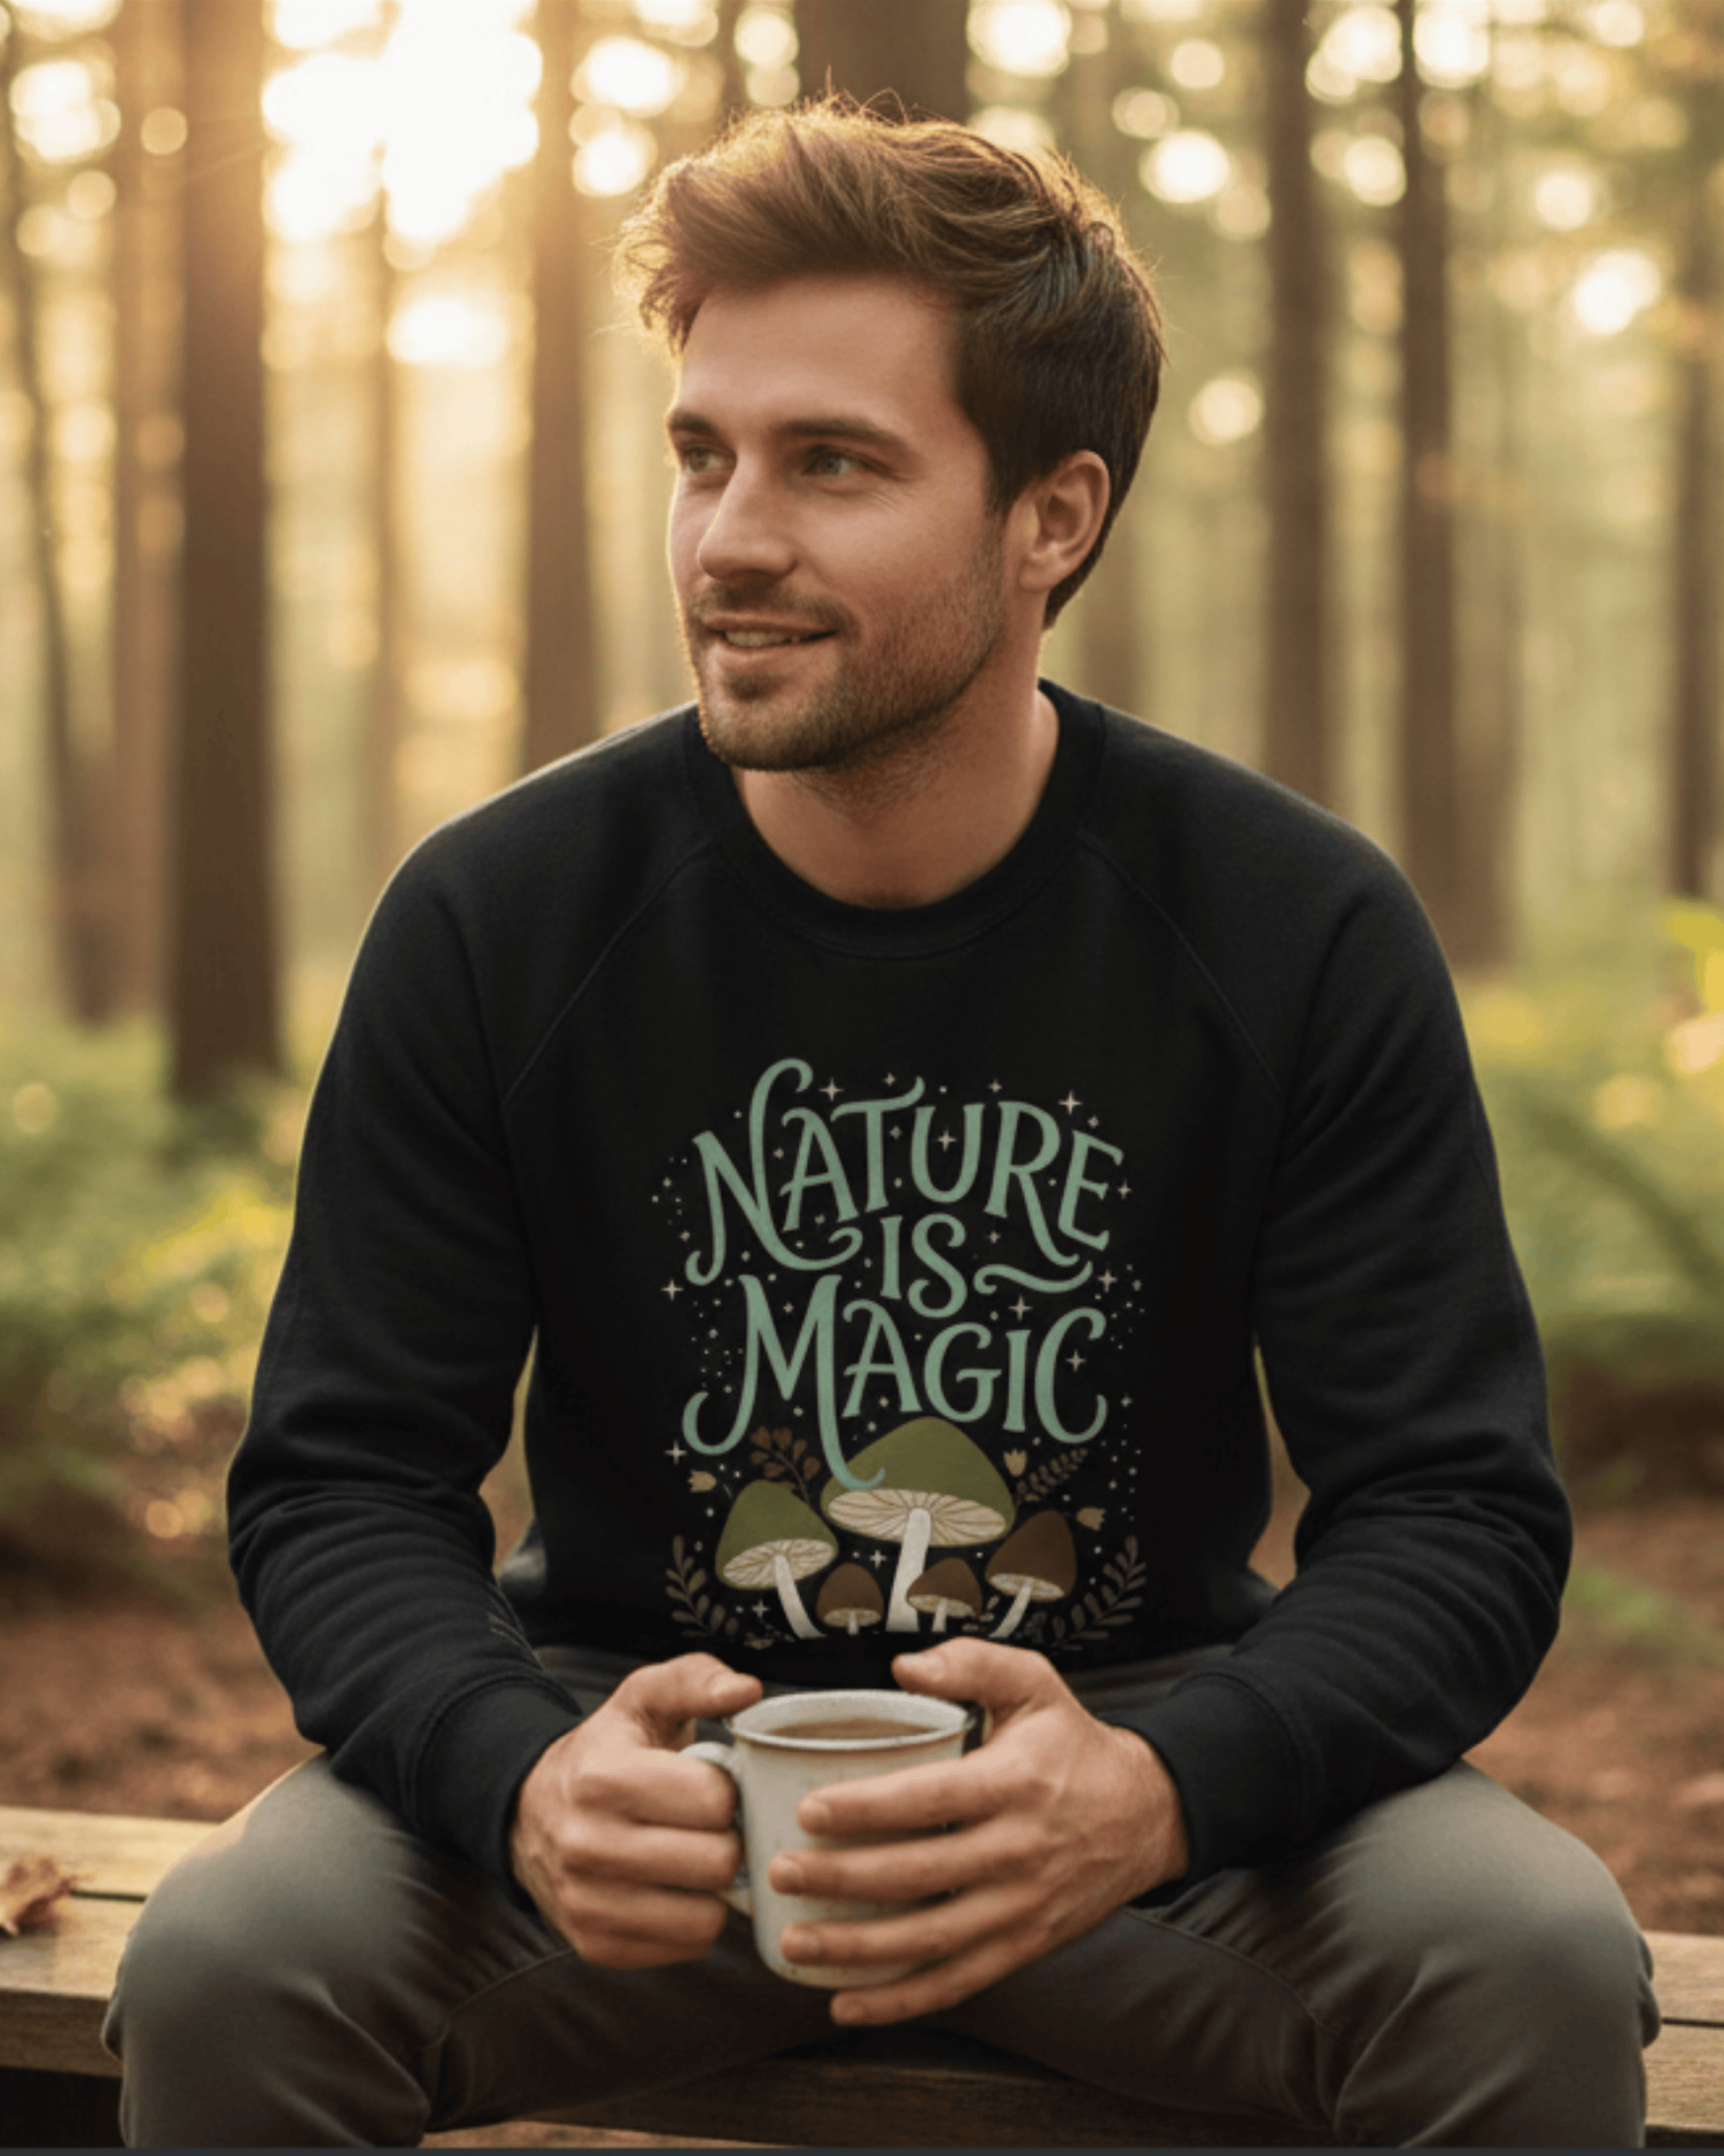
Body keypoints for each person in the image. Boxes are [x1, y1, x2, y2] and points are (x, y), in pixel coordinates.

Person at [106, 98, 1658, 2146]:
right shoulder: (499, 918)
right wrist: (515, 1769)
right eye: (700, 452)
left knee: (1529, 1954)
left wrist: (1166, 1785)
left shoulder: (1290, 925)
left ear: (1052, 516)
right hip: (629, 1789)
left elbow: (1456, 1511)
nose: (730, 533)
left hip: (1138, 1784)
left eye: (831, 462)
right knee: (227, 1965)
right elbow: (338, 1479)